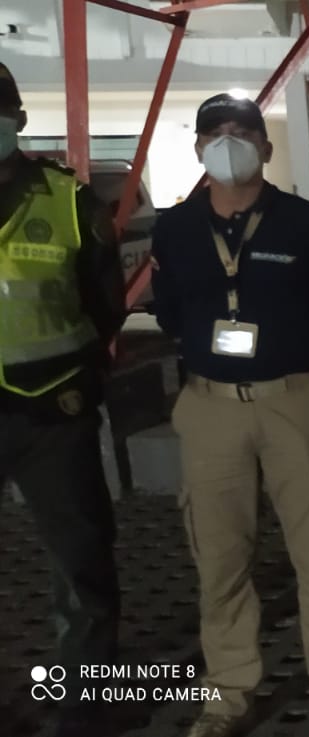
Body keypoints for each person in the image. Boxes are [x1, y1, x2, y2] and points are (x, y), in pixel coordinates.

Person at [151, 93, 309, 737]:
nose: (229, 143)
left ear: (266, 145)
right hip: (210, 408)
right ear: (198, 148)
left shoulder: (306, 223)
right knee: (220, 560)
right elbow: (169, 312)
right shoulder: (175, 228)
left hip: (295, 402)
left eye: (243, 131)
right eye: (215, 133)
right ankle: (228, 694)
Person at [0, 61, 123, 737]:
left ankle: (87, 700)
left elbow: (105, 304)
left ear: (18, 119)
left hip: (52, 411)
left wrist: (72, 374)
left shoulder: (68, 201)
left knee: (81, 561)